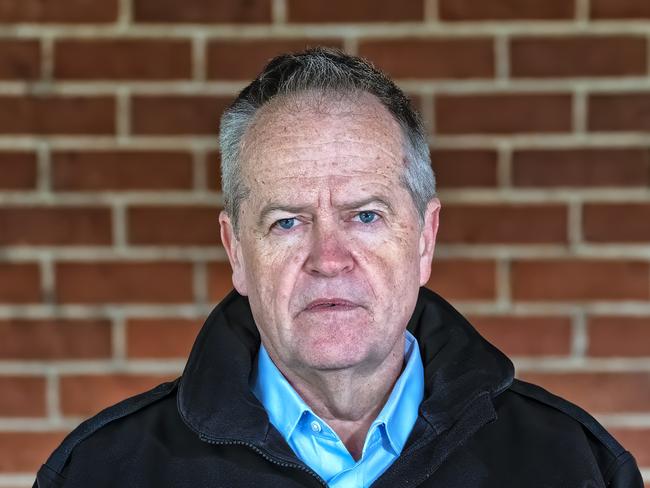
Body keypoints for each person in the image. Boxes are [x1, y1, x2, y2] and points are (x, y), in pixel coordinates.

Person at [34, 48, 642, 488]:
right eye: (287, 222)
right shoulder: (101, 472)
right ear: (236, 252)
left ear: (425, 239)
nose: (328, 259)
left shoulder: (572, 465)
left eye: (366, 216)